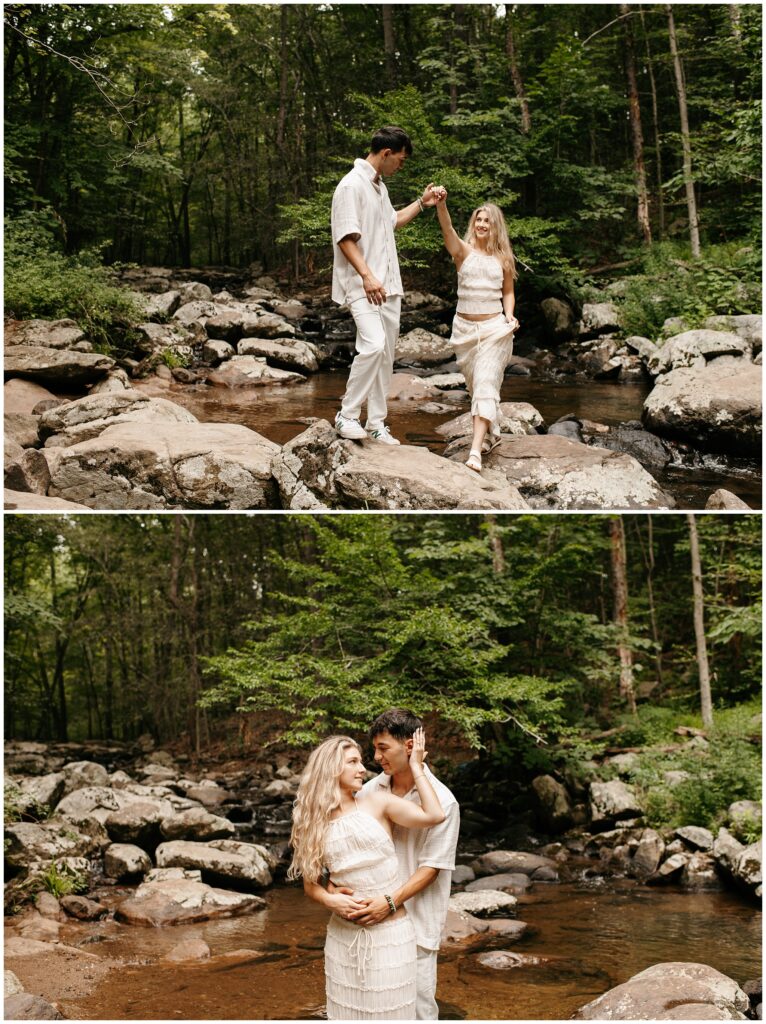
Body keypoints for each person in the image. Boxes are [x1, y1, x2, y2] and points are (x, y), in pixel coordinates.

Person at [289, 728, 445, 1020]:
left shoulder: (377, 802)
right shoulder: (311, 820)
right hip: (342, 937)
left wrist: (417, 767)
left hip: (392, 935)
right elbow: (311, 886)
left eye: (361, 761)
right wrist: (330, 900)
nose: (363, 768)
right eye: (353, 762)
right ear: (331, 767)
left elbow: (434, 815)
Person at [331, 126, 443, 445]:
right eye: (401, 160)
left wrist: (422, 203)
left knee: (385, 356)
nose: (401, 166)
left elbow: (393, 220)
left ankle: (377, 423)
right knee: (373, 345)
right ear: (386, 154)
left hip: (388, 286)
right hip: (363, 284)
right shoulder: (351, 186)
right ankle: (347, 415)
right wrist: (367, 276)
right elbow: (345, 237)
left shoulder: (380, 188)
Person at [352, 709, 460, 1020]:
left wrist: (389, 902)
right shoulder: (370, 790)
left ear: (410, 746)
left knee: (416, 1012)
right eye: (374, 748)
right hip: (371, 917)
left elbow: (432, 868)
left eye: (383, 748)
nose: (376, 757)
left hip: (416, 922)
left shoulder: (444, 801)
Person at [434, 192, 520, 472]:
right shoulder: (462, 252)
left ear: (496, 227)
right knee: (477, 387)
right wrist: (442, 204)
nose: (482, 224)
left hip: (495, 330)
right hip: (465, 331)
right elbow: (447, 228)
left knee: (484, 385)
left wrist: (509, 316)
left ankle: (475, 452)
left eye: (487, 221)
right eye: (478, 219)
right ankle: (490, 429)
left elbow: (508, 292)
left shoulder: (504, 258)